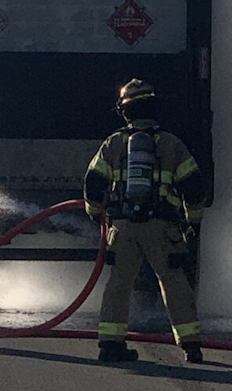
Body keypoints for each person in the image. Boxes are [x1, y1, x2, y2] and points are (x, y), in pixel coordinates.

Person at [84, 78, 208, 364]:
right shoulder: (172, 144)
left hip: (123, 228)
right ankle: (191, 346)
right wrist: (194, 222)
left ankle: (110, 345)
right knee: (174, 281)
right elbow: (194, 187)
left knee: (119, 283)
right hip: (162, 228)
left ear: (124, 111)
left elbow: (93, 183)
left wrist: (95, 213)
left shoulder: (114, 143)